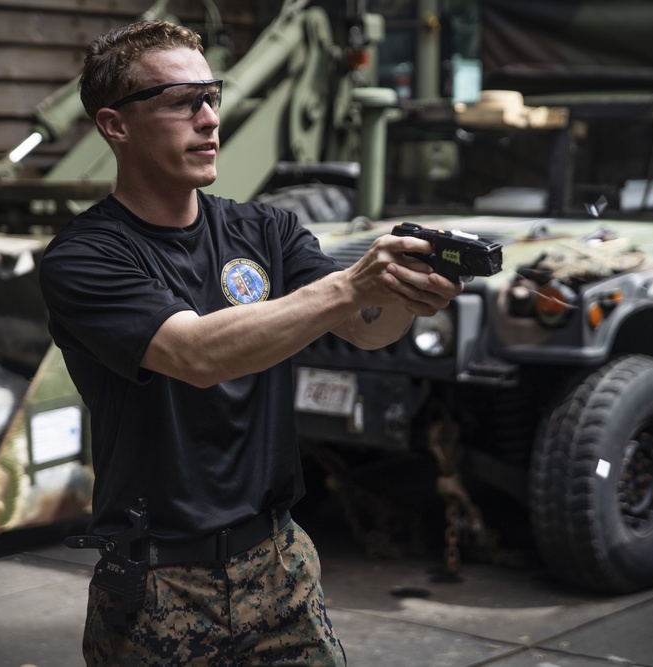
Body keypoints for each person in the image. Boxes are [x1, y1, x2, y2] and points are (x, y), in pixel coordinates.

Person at [38, 19, 461, 667]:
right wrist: (351, 285)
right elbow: (197, 355)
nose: (209, 119)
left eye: (212, 97)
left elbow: (365, 328)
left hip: (279, 562)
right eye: (182, 101)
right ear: (114, 124)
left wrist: (407, 297)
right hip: (159, 581)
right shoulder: (86, 256)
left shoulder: (264, 228)